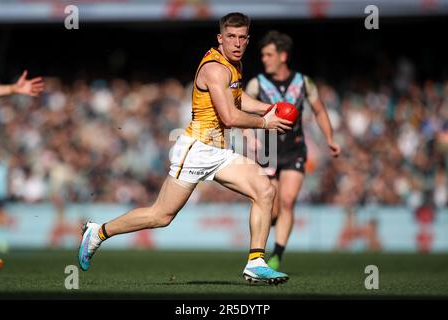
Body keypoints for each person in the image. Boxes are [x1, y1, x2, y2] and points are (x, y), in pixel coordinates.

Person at [78, 13, 294, 284]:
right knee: (161, 215)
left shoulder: (234, 63)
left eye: (242, 37)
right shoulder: (215, 69)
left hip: (218, 151)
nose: (237, 42)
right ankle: (98, 233)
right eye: (231, 37)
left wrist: (268, 107)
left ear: (248, 40)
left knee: (264, 190)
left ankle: (256, 263)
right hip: (197, 149)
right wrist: (266, 121)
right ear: (220, 38)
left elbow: (238, 97)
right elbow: (229, 117)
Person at [245, 31, 341, 271]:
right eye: (263, 55)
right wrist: (248, 136)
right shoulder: (257, 83)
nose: (264, 59)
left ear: (283, 56)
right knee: (273, 208)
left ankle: (277, 254)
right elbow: (241, 111)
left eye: (269, 54)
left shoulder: (303, 82)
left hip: (295, 149)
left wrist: (329, 138)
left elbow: (319, 110)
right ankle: (269, 229)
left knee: (287, 201)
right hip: (267, 152)